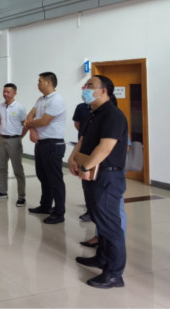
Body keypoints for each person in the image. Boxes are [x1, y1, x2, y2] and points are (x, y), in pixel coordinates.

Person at [68, 75, 128, 289]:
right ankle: (102, 258)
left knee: (110, 225)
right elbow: (82, 140)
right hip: (92, 174)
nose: (85, 88)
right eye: (85, 85)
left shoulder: (113, 114)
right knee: (99, 219)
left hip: (107, 176)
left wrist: (85, 166)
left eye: (90, 85)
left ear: (104, 90)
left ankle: (114, 274)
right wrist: (72, 159)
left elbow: (106, 147)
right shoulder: (92, 114)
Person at [23, 72, 67, 224]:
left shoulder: (57, 100)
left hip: (53, 144)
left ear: (48, 83)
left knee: (55, 179)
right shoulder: (41, 99)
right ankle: (45, 205)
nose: (38, 84)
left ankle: (59, 213)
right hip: (41, 143)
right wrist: (32, 129)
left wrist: (28, 124)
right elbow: (30, 114)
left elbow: (44, 121)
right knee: (43, 176)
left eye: (40, 81)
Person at [0, 83, 28, 207]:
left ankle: (21, 197)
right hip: (2, 140)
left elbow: (25, 125)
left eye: (8, 92)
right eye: (4, 91)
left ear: (14, 93)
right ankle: (3, 191)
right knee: (2, 167)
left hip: (14, 140)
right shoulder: (0, 107)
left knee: (18, 170)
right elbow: (1, 121)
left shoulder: (20, 108)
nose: (5, 94)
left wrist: (18, 137)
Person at [73, 102, 93, 223]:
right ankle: (89, 210)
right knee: (86, 183)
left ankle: (95, 211)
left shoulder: (110, 114)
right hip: (84, 151)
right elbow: (78, 125)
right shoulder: (81, 108)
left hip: (98, 154)